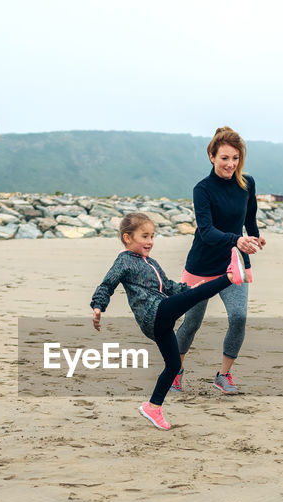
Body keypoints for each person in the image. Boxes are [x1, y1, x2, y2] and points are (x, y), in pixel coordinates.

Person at [91, 213, 248, 430]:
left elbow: (168, 286)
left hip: (160, 321)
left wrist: (188, 289)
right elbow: (106, 285)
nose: (150, 242)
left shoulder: (151, 262)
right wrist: (98, 306)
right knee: (196, 296)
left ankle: (153, 407)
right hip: (153, 313)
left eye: (152, 236)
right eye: (144, 236)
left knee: (173, 365)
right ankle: (231, 277)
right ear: (127, 238)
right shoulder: (123, 261)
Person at [174, 126, 265, 396]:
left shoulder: (247, 184)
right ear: (212, 156)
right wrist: (236, 240)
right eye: (225, 158)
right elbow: (207, 231)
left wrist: (255, 238)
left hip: (234, 263)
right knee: (192, 321)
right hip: (202, 266)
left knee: (238, 317)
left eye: (235, 158)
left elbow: (249, 219)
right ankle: (175, 371)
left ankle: (223, 375)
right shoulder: (202, 189)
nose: (230, 164)